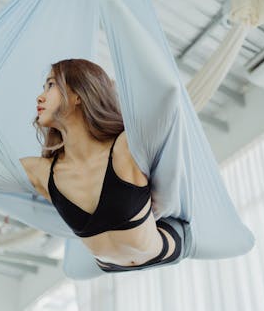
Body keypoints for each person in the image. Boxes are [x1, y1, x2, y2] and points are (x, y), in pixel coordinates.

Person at [18, 59, 187, 272]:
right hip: (107, 265)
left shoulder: (126, 149)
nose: (40, 96)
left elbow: (169, 94)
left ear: (78, 95)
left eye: (50, 85)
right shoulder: (41, 171)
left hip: (164, 249)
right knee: (74, 271)